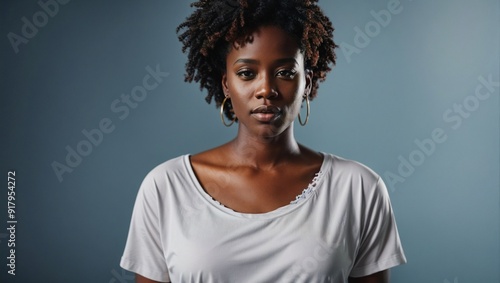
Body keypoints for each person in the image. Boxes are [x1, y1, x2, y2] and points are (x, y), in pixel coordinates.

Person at [120, 1, 407, 282]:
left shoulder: (357, 188)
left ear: (305, 83)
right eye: (247, 73)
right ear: (225, 84)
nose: (266, 90)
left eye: (284, 72)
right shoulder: (167, 187)